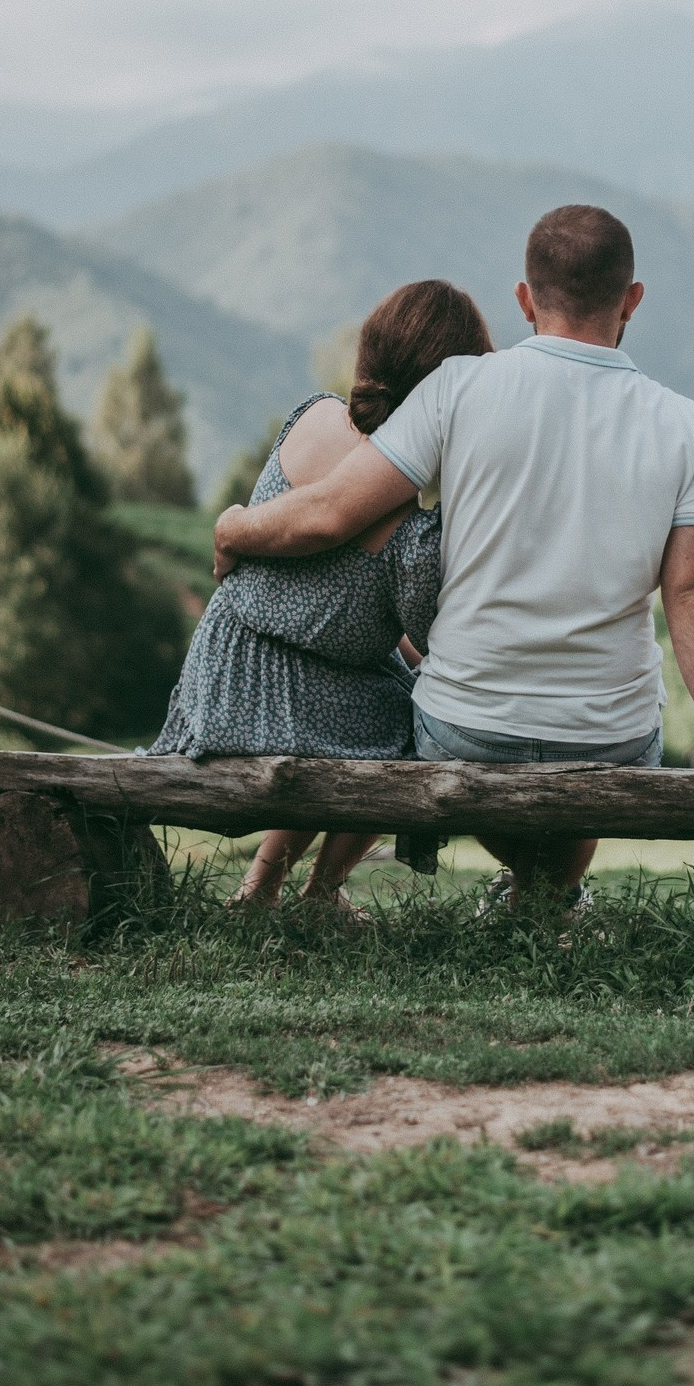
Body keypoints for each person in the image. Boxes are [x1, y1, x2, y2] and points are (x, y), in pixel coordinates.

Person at [213, 203, 694, 909]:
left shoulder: (457, 388)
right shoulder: (685, 427)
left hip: (464, 729)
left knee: (410, 704)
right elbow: (692, 591)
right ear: (633, 300)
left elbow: (329, 512)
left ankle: (525, 892)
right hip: (610, 739)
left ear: (525, 299)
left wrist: (234, 528)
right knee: (593, 753)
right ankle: (543, 894)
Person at [150, 278, 494, 912]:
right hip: (293, 698)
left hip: (226, 671)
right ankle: (320, 893)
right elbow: (426, 638)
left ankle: (260, 888)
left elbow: (331, 596)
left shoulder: (313, 415)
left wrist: (228, 525)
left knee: (369, 700)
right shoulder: (411, 528)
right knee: (415, 730)